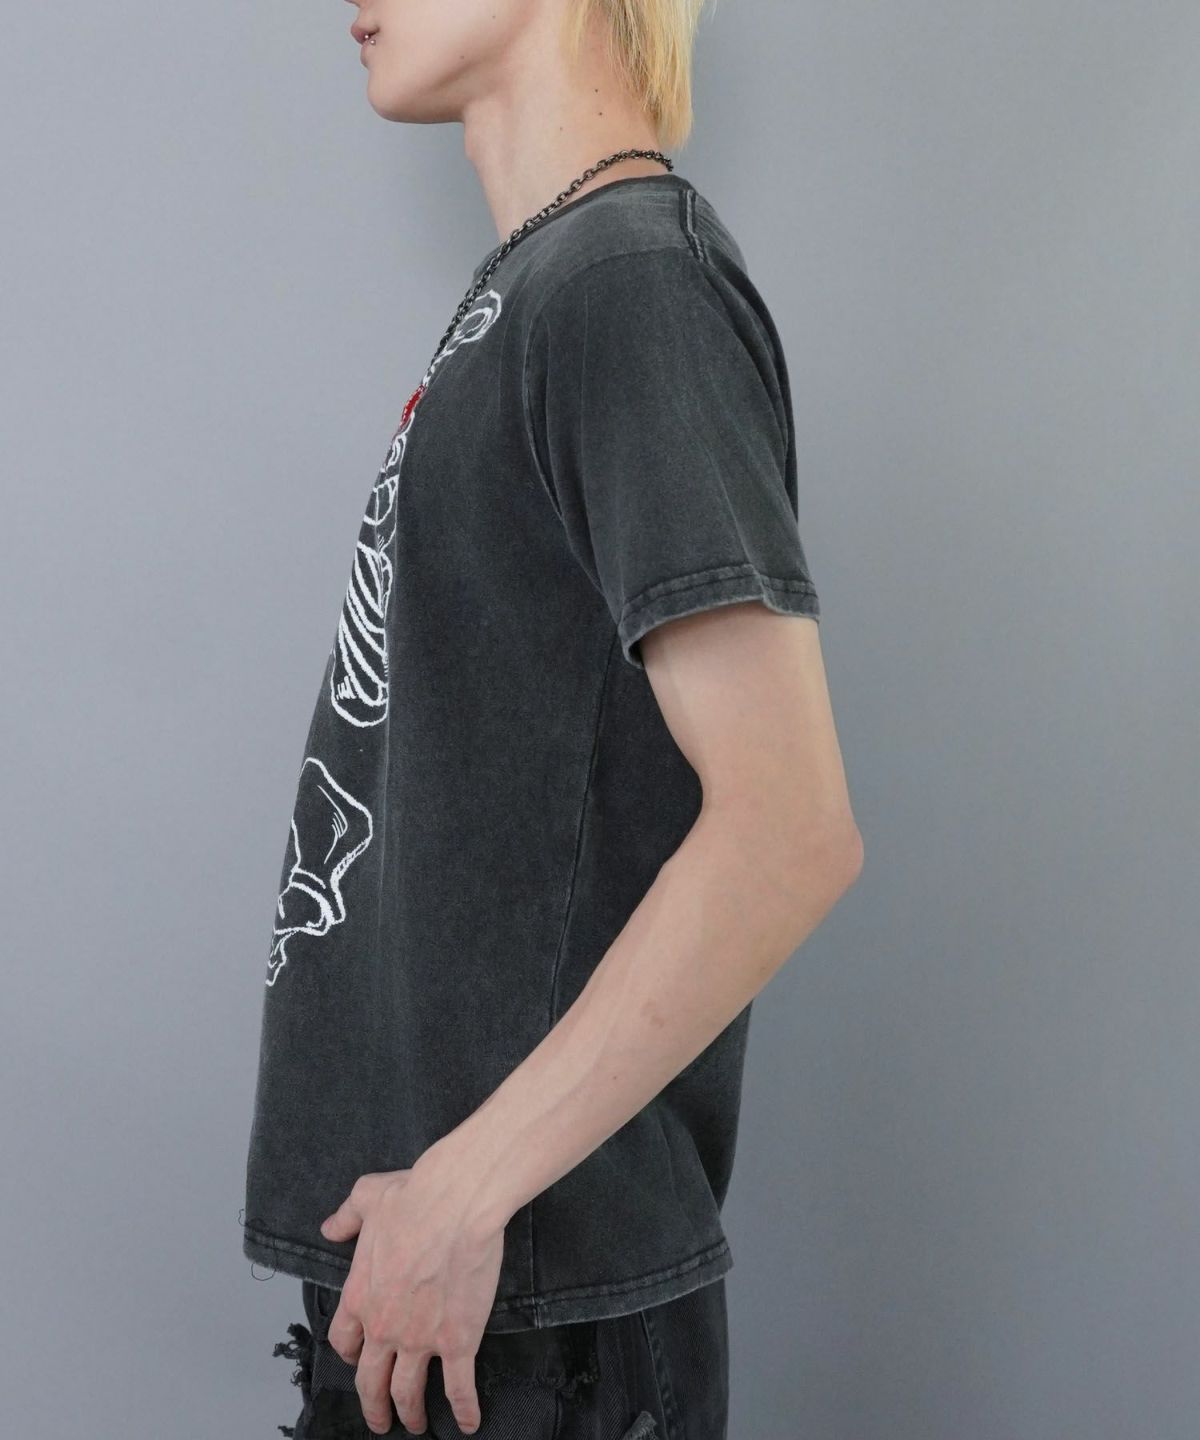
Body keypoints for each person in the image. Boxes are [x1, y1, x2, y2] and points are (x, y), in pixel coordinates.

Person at [241, 0, 863, 1436]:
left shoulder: (628, 284)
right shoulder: (546, 283)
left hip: (525, 1323)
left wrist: (462, 1194)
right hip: (446, 1299)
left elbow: (790, 826)